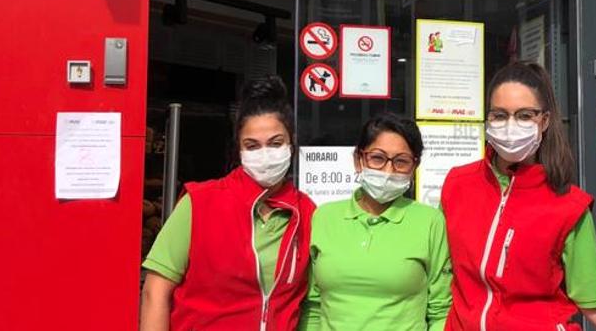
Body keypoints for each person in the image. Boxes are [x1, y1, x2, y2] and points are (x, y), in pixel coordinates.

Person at [140, 76, 317, 331]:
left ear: (292, 143)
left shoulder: (307, 212)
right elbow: (155, 292)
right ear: (239, 150)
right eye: (252, 145)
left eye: (276, 143)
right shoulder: (199, 203)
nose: (265, 154)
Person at [441, 62, 596, 331]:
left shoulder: (570, 205)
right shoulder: (458, 185)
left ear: (545, 121)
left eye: (525, 116)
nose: (510, 126)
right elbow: (441, 278)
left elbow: (591, 303)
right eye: (499, 115)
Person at [301, 113, 452, 330]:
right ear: (359, 159)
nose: (389, 171)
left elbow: (440, 310)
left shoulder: (430, 222)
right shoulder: (323, 218)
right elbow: (313, 305)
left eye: (401, 161)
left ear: (414, 167)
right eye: (378, 158)